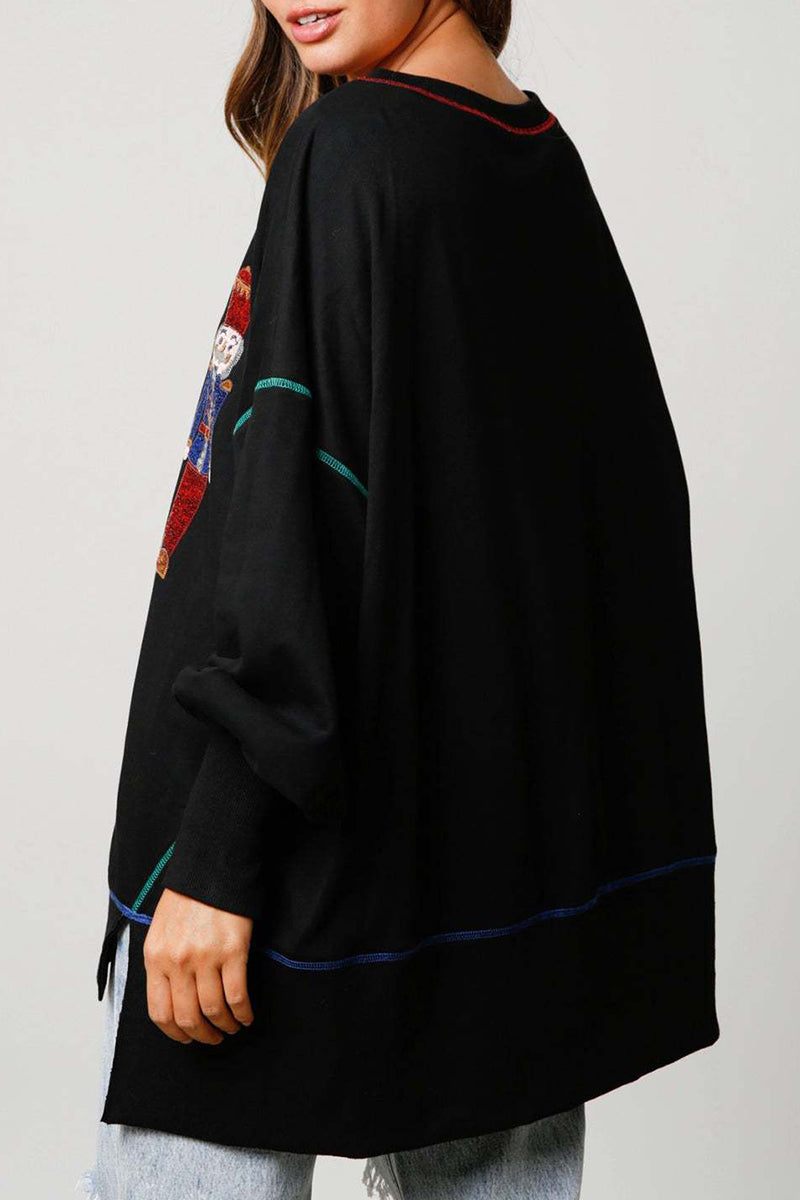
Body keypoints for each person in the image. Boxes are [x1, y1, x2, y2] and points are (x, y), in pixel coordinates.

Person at [81, 0, 720, 1196]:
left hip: (288, 854)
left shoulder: (353, 147)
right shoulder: (534, 157)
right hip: (501, 880)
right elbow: (615, 521)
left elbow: (301, 515)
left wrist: (214, 858)